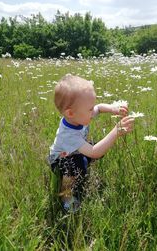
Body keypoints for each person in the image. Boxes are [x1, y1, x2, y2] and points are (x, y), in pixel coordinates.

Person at [48, 74, 134, 212]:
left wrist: (113, 108)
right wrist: (116, 131)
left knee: (93, 150)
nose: (92, 111)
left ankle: (83, 165)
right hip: (61, 159)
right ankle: (66, 196)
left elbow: (99, 108)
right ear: (70, 113)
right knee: (73, 166)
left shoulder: (77, 115)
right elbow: (94, 152)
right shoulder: (68, 135)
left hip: (75, 151)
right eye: (89, 109)